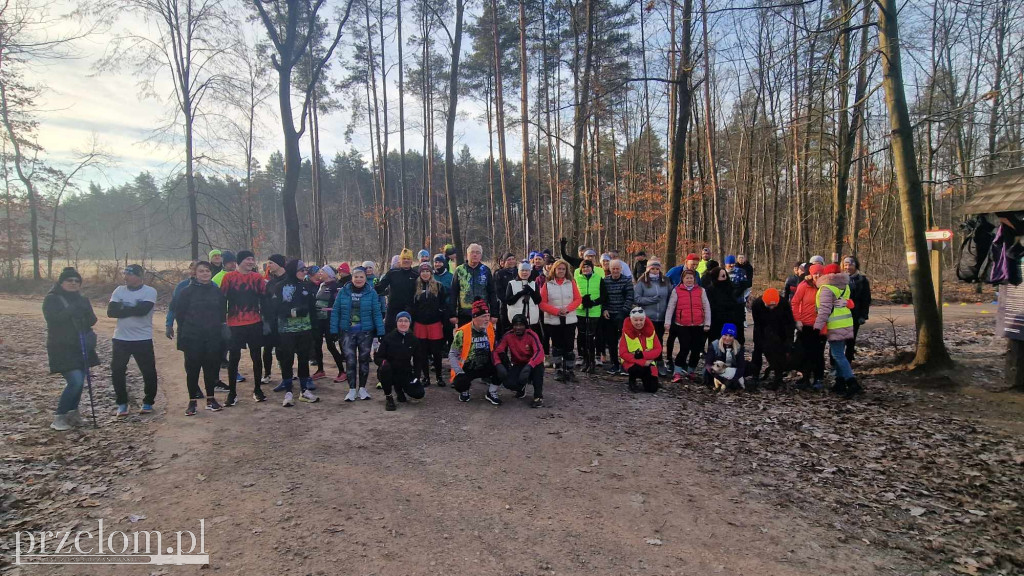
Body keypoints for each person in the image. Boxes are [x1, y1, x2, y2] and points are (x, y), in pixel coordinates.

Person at [44, 267, 100, 431]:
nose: (73, 283)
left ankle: (72, 414)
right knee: (75, 381)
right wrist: (71, 310)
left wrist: (84, 313)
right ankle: (59, 417)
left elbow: (92, 320)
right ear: (61, 282)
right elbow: (53, 319)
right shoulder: (52, 299)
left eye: (77, 281)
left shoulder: (82, 299)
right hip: (61, 347)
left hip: (80, 345)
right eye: (70, 280)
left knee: (79, 381)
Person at [170, 261, 226, 415]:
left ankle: (211, 399)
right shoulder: (186, 292)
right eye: (201, 271)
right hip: (192, 337)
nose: (205, 273)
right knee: (193, 370)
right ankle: (192, 401)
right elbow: (179, 315)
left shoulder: (217, 292)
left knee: (211, 369)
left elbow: (222, 313)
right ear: (195, 273)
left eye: (207, 271)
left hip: (212, 337)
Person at [106, 264, 159, 416]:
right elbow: (111, 312)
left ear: (139, 276)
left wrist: (122, 308)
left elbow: (143, 311)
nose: (126, 277)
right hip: (121, 338)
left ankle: (148, 401)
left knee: (148, 371)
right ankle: (122, 403)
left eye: (129, 274)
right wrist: (132, 308)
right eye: (125, 274)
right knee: (117, 371)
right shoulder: (119, 290)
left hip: (142, 338)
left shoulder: (149, 291)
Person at [219, 249, 267, 405]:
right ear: (239, 261)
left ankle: (258, 389)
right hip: (234, 323)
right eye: (248, 259)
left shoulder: (257, 278)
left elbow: (265, 298)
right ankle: (232, 393)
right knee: (234, 358)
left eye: (252, 259)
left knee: (256, 357)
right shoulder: (229, 277)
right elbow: (222, 300)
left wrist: (265, 319)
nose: (251, 262)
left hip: (254, 322)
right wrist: (222, 322)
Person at [271, 260, 320, 406]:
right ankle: (288, 392)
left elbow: (312, 310)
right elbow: (276, 310)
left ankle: (304, 391)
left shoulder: (306, 286)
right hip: (286, 331)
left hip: (305, 330)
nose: (304, 272)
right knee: (287, 360)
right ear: (293, 270)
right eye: (301, 269)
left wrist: (315, 329)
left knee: (304, 360)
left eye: (305, 270)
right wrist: (295, 312)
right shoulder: (280, 286)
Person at [331, 266, 384, 402]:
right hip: (347, 332)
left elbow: (377, 312)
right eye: (356, 277)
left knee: (364, 360)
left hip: (365, 332)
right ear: (352, 278)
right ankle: (352, 389)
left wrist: (380, 331)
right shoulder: (343, 291)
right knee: (350, 360)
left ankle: (362, 388)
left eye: (361, 277)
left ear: (365, 279)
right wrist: (333, 331)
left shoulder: (371, 293)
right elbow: (336, 311)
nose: (359, 279)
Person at [814, 263, 860, 397]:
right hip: (846, 322)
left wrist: (817, 326)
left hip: (835, 324)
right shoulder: (845, 286)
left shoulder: (826, 288)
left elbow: (824, 310)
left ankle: (852, 382)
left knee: (838, 355)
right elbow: (847, 302)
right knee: (839, 353)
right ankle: (840, 382)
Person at [450, 300, 501, 405]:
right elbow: (452, 354)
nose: (487, 319)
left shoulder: (490, 327)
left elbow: (495, 347)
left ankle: (491, 392)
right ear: (474, 318)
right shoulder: (462, 332)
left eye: (488, 315)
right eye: (483, 316)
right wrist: (458, 372)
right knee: (460, 382)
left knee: (503, 367)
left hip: (486, 364)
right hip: (469, 366)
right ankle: (464, 390)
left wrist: (500, 361)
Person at [665, 269, 711, 383]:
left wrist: (707, 323)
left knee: (696, 349)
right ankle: (677, 372)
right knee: (684, 348)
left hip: (698, 324)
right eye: (687, 278)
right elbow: (671, 307)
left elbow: (706, 307)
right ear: (683, 279)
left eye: (691, 278)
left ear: (694, 279)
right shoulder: (677, 290)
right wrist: (667, 322)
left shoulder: (701, 291)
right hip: (682, 324)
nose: (689, 280)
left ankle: (691, 371)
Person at [539, 258, 582, 381]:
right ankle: (558, 369)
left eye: (563, 269)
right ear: (554, 269)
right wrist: (556, 311)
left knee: (569, 346)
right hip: (553, 320)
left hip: (569, 319)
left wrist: (567, 309)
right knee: (557, 346)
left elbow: (578, 299)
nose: (561, 271)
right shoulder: (547, 284)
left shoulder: (571, 283)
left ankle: (570, 370)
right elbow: (542, 303)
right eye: (559, 269)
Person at [374, 311, 426, 411]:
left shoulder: (414, 339)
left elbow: (418, 360)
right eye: (400, 321)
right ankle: (389, 397)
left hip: (405, 372)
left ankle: (399, 390)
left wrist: (416, 377)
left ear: (409, 323)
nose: (403, 323)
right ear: (396, 322)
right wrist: (383, 363)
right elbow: (377, 357)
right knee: (386, 369)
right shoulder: (389, 338)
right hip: (389, 371)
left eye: (406, 321)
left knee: (419, 393)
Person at [410, 262, 450, 387]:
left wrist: (443, 318)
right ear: (420, 273)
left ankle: (439, 377)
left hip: (435, 324)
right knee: (422, 352)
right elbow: (411, 305)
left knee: (436, 352)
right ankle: (426, 378)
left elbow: (444, 304)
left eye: (427, 271)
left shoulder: (439, 286)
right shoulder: (414, 286)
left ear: (431, 273)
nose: (425, 273)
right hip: (420, 324)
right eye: (423, 271)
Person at [493, 314, 546, 408]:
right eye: (515, 325)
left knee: (538, 370)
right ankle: (521, 388)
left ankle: (538, 396)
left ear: (525, 326)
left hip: (532, 364)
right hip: (518, 363)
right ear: (512, 326)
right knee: (508, 383)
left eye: (521, 325)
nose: (518, 328)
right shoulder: (508, 335)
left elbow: (539, 352)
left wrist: (530, 366)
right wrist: (498, 364)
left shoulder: (531, 335)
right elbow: (497, 351)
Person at [750, 288, 794, 390]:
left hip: (780, 330)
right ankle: (755, 374)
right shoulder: (757, 304)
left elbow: (789, 324)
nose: (771, 308)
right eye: (769, 305)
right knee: (757, 351)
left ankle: (778, 375)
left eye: (774, 305)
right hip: (762, 329)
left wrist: (788, 340)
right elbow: (758, 324)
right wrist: (761, 339)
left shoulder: (784, 304)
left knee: (779, 354)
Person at [633, 258, 671, 375]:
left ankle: (659, 362)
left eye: (657, 269)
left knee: (659, 341)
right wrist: (651, 300)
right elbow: (636, 298)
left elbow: (671, 296)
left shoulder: (665, 281)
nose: (655, 271)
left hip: (662, 317)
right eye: (652, 268)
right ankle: (646, 362)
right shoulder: (642, 282)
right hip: (648, 317)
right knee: (647, 341)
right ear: (648, 269)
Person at [792, 264, 825, 390]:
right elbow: (795, 302)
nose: (818, 276)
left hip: (820, 326)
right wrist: (798, 319)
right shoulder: (804, 285)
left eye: (820, 273)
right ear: (811, 274)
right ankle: (805, 377)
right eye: (815, 273)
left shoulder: (826, 287)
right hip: (805, 325)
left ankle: (818, 378)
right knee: (804, 352)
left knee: (818, 353)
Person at [449, 243, 498, 327]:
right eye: (472, 252)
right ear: (467, 255)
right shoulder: (459, 270)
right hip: (464, 314)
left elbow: (492, 293)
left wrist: (494, 314)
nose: (475, 255)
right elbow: (453, 293)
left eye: (478, 252)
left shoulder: (485, 270)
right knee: (465, 338)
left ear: (481, 255)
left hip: (482, 313)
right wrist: (452, 314)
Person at [312, 265, 346, 382]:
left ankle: (342, 371)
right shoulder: (321, 285)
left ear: (329, 273)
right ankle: (320, 370)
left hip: (329, 320)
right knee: (317, 344)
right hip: (319, 320)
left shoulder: (336, 286)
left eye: (322, 271)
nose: (320, 273)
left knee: (331, 346)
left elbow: (340, 304)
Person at [601, 259, 635, 374]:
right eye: (613, 268)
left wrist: (623, 312)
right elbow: (603, 298)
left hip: (623, 315)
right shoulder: (605, 281)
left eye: (617, 268)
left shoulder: (626, 281)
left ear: (621, 269)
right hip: (609, 315)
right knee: (611, 341)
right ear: (609, 269)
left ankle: (625, 364)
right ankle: (614, 363)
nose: (615, 271)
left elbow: (630, 298)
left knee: (625, 342)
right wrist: (604, 309)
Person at [376, 248, 420, 333]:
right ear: (400, 260)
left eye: (408, 259)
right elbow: (380, 287)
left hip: (409, 309)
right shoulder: (392, 273)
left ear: (412, 261)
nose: (406, 261)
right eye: (404, 258)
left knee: (408, 334)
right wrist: (374, 285)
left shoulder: (416, 275)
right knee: (390, 334)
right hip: (393, 309)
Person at [619, 307, 661, 393]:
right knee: (638, 369)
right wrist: (642, 362)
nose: (639, 323)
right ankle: (632, 380)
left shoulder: (651, 332)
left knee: (652, 389)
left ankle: (648, 380)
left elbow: (658, 349)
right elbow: (622, 353)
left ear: (645, 319)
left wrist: (643, 355)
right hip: (631, 362)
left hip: (648, 361)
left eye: (641, 320)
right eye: (636, 320)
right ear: (631, 320)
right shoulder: (626, 333)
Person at [574, 258, 604, 373]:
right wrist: (582, 303)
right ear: (581, 269)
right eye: (584, 267)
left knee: (591, 338)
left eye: (588, 267)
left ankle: (592, 362)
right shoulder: (576, 280)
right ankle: (585, 361)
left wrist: (593, 302)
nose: (586, 269)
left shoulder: (599, 279)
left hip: (594, 312)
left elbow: (604, 296)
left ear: (592, 268)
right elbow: (574, 296)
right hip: (580, 312)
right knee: (582, 337)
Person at [263, 254, 287, 387]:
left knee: (282, 349)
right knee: (267, 348)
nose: (268, 265)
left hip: (284, 322)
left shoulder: (289, 280)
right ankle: (267, 374)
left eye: (271, 262)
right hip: (270, 321)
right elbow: (265, 301)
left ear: (279, 264)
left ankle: (286, 377)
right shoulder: (270, 282)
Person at [704, 323, 748, 391]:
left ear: (734, 337)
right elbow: (708, 364)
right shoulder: (714, 345)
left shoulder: (739, 347)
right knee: (706, 372)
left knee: (748, 366)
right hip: (716, 373)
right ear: (722, 335)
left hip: (732, 372)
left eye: (731, 336)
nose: (727, 338)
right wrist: (718, 377)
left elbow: (741, 366)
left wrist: (734, 379)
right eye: (725, 335)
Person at [843, 256, 871, 364]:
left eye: (850, 265)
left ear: (855, 266)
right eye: (845, 265)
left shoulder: (862, 280)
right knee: (838, 340)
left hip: (855, 314)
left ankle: (848, 362)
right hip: (840, 315)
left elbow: (866, 299)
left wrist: (863, 315)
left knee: (850, 340)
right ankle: (835, 364)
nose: (848, 267)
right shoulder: (839, 278)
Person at [705, 266, 742, 345]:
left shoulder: (730, 287)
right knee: (715, 340)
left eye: (725, 275)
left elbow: (734, 301)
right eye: (722, 275)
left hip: (730, 318)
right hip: (715, 319)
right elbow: (710, 304)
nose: (724, 277)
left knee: (728, 339)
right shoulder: (710, 289)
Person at [506, 261, 543, 339]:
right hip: (517, 320)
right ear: (518, 271)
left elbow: (538, 301)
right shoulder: (512, 283)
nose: (524, 272)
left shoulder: (533, 283)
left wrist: (531, 291)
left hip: (531, 319)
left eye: (527, 270)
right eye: (522, 270)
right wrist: (521, 293)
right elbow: (509, 301)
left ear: (530, 271)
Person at [164, 261, 196, 340]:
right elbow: (173, 307)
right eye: (193, 269)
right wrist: (169, 325)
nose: (195, 272)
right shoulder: (182, 286)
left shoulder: (213, 286)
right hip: (186, 327)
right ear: (190, 270)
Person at [494, 252, 519, 337]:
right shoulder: (500, 274)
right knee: (504, 331)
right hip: (504, 307)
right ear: (504, 262)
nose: (511, 261)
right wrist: (508, 301)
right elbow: (498, 291)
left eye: (513, 259)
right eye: (509, 259)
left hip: (518, 306)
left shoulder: (519, 272)